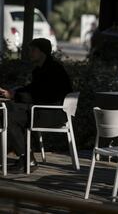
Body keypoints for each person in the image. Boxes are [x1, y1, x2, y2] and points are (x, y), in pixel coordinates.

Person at [0, 38, 72, 172]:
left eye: (33, 50)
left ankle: (27, 158)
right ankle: (17, 156)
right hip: (42, 109)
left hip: (52, 113)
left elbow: (43, 96)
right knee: (8, 111)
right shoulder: (41, 69)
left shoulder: (53, 70)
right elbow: (33, 89)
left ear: (42, 52)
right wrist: (12, 92)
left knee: (9, 117)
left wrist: (15, 96)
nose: (30, 53)